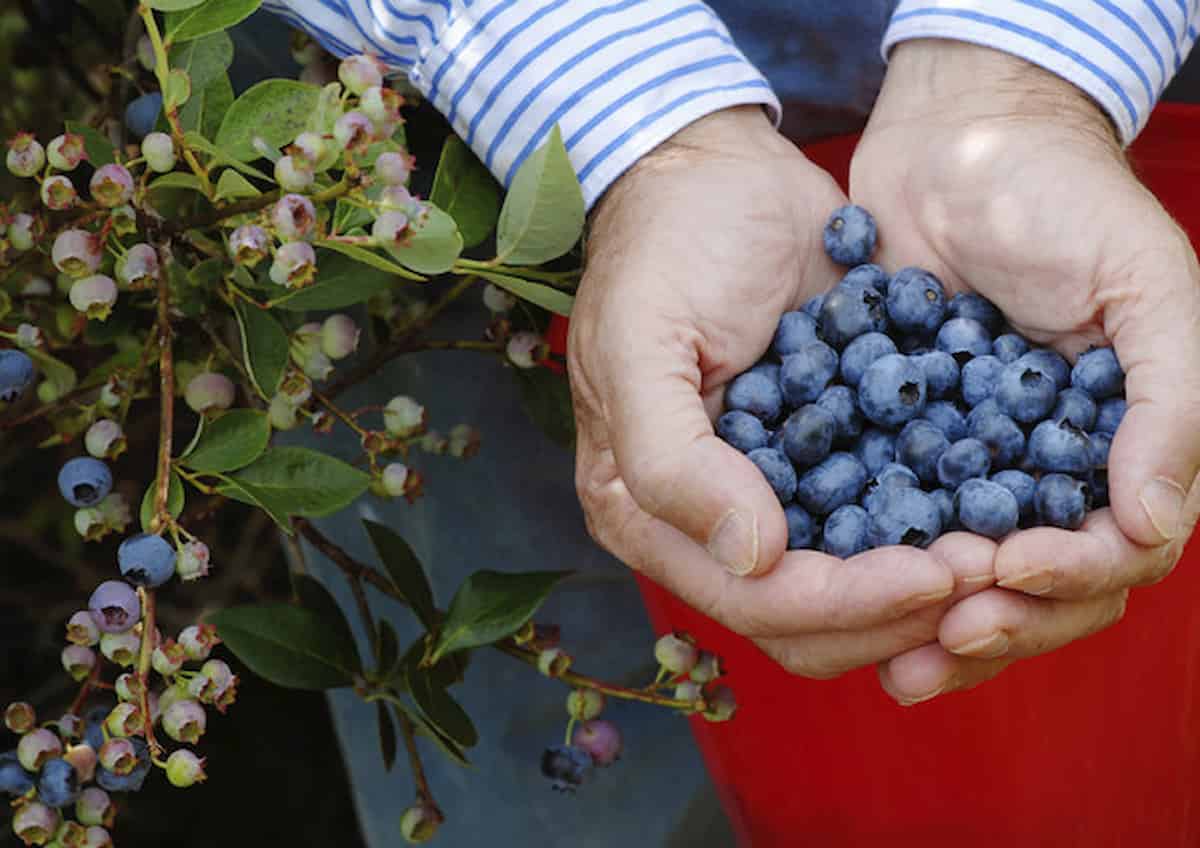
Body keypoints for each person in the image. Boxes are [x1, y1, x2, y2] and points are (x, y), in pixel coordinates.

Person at [262, 0, 1200, 841]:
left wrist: (1026, 68)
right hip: (479, 135)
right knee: (547, 721)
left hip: (1114, 82)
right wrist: (634, 118)